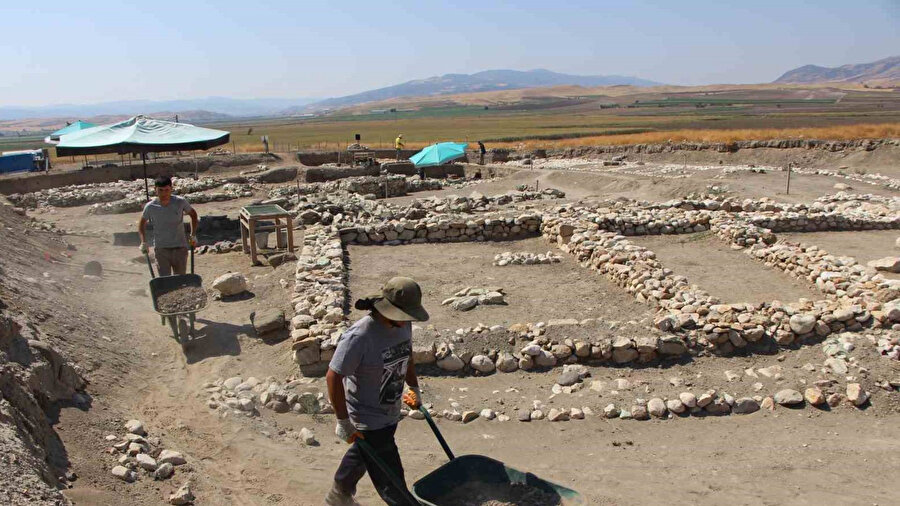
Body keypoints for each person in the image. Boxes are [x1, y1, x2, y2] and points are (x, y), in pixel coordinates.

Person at [325, 277, 429, 506]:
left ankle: (339, 493)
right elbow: (333, 376)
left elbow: (406, 354)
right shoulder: (360, 336)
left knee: (365, 452)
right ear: (386, 309)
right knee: (388, 472)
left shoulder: (403, 324)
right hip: (367, 413)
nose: (405, 322)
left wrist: (413, 387)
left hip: (390, 408)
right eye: (402, 317)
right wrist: (343, 421)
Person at [138, 176, 199, 276]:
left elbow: (193, 215)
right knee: (164, 279)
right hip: (161, 249)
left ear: (171, 189)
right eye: (160, 190)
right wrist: (143, 242)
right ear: (155, 190)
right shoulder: (151, 206)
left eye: (167, 190)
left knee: (179, 279)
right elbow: (141, 223)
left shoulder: (180, 202)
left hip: (180, 247)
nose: (164, 193)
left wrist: (193, 235)